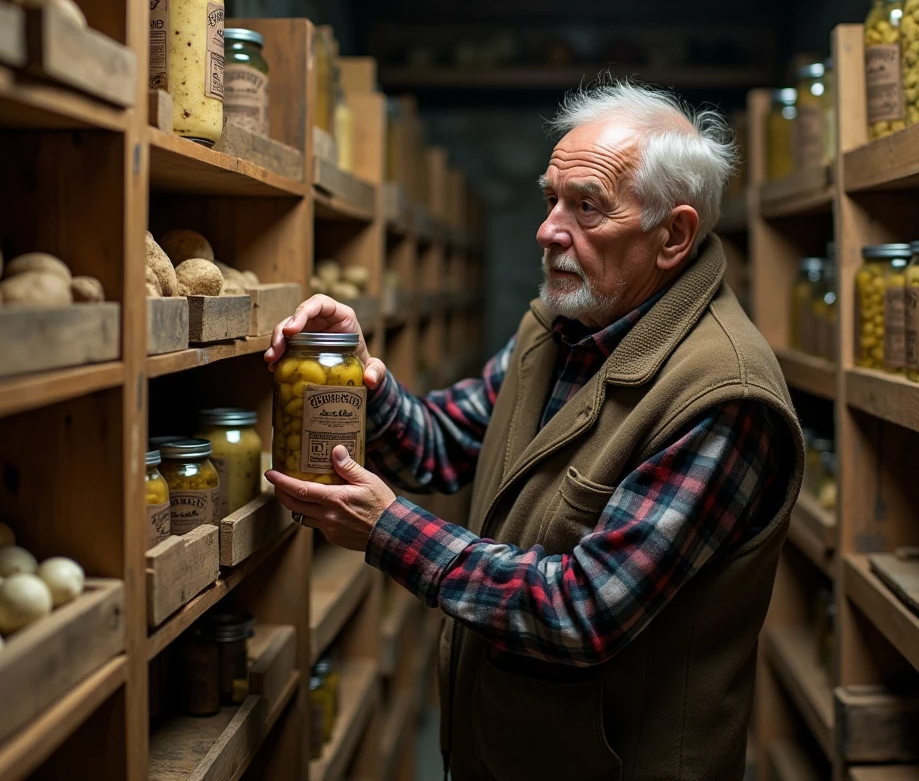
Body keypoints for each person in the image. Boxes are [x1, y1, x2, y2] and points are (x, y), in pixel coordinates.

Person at [265, 79, 804, 781]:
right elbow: (444, 445)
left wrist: (386, 530)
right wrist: (353, 378)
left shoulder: (721, 398)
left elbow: (581, 612)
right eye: (551, 198)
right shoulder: (560, 326)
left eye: (587, 207)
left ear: (674, 235)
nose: (549, 229)